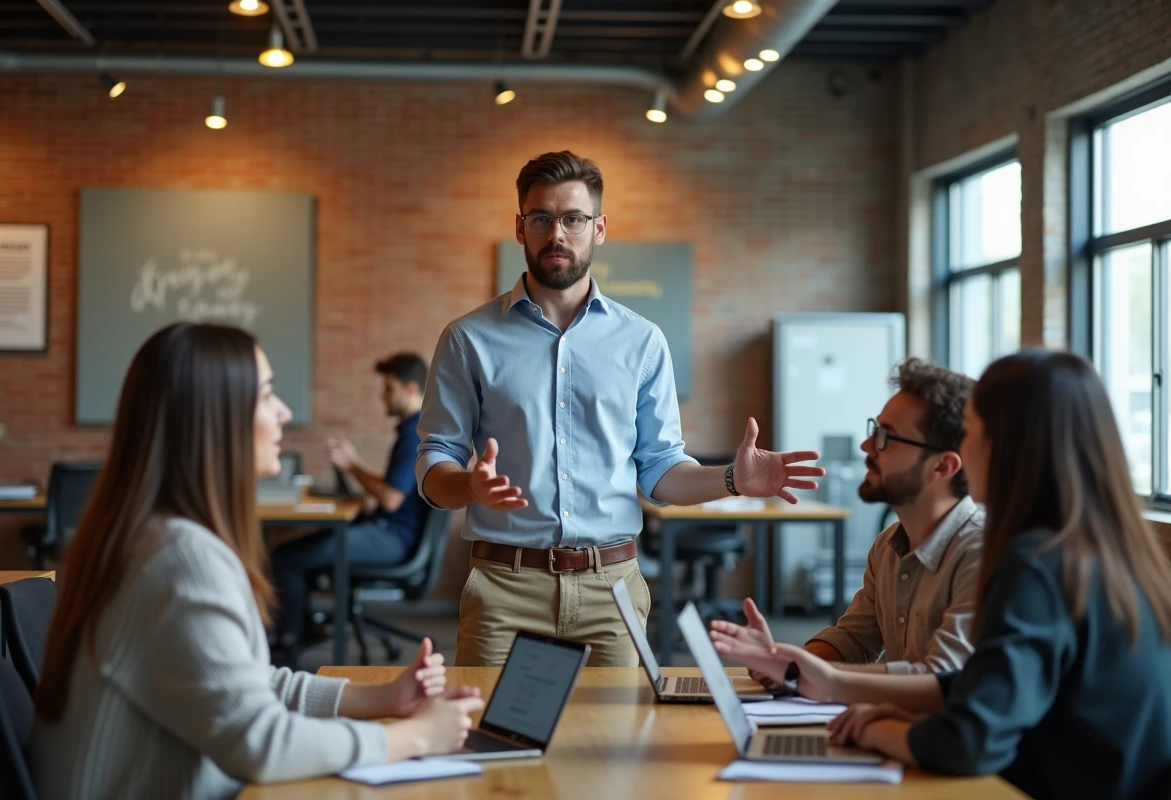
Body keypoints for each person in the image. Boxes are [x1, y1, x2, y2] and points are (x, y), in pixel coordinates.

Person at [32, 323, 483, 800]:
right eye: (268, 395)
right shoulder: (182, 561)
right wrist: (413, 739)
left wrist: (381, 698)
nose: (284, 412)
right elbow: (261, 742)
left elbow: (246, 683)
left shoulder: (152, 536)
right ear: (216, 417)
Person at [416, 150, 824, 667]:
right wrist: (468, 486)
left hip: (612, 592)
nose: (557, 233)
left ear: (599, 228)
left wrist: (731, 482)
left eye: (573, 219)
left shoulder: (642, 341)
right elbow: (435, 460)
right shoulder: (468, 338)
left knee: (617, 747)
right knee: (494, 744)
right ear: (520, 228)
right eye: (541, 218)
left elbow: (660, 471)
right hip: (504, 589)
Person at [711, 351, 1171, 800]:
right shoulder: (1097, 550)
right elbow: (979, 685)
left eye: (975, 431)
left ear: (1006, 447)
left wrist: (878, 727)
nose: (967, 448)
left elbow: (970, 736)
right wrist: (810, 674)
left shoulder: (1033, 562)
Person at [745, 358, 982, 683]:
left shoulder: (981, 554)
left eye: (888, 437)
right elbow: (854, 640)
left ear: (942, 467)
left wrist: (810, 674)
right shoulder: (888, 545)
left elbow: (940, 679)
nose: (867, 446)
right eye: (875, 429)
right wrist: (789, 664)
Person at [271, 353, 427, 657]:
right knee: (296, 554)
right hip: (387, 530)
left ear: (410, 389)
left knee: (286, 558)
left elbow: (391, 499)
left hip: (393, 539)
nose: (383, 397)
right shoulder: (413, 429)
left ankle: (287, 643)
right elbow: (392, 490)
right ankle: (305, 629)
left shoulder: (415, 433)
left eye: (389, 389)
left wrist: (352, 464)